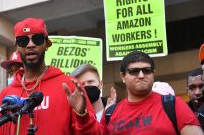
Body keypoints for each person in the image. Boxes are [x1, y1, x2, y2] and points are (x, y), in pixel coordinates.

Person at [0, 18, 97, 135]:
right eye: (23, 41)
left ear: (47, 44)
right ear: (17, 47)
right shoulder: (5, 95)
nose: (30, 45)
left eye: (37, 39)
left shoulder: (69, 86)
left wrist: (83, 116)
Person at [65, 51, 203, 135]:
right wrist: (81, 114)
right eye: (134, 71)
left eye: (147, 70)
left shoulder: (173, 104)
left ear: (153, 73)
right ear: (122, 76)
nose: (141, 75)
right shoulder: (110, 113)